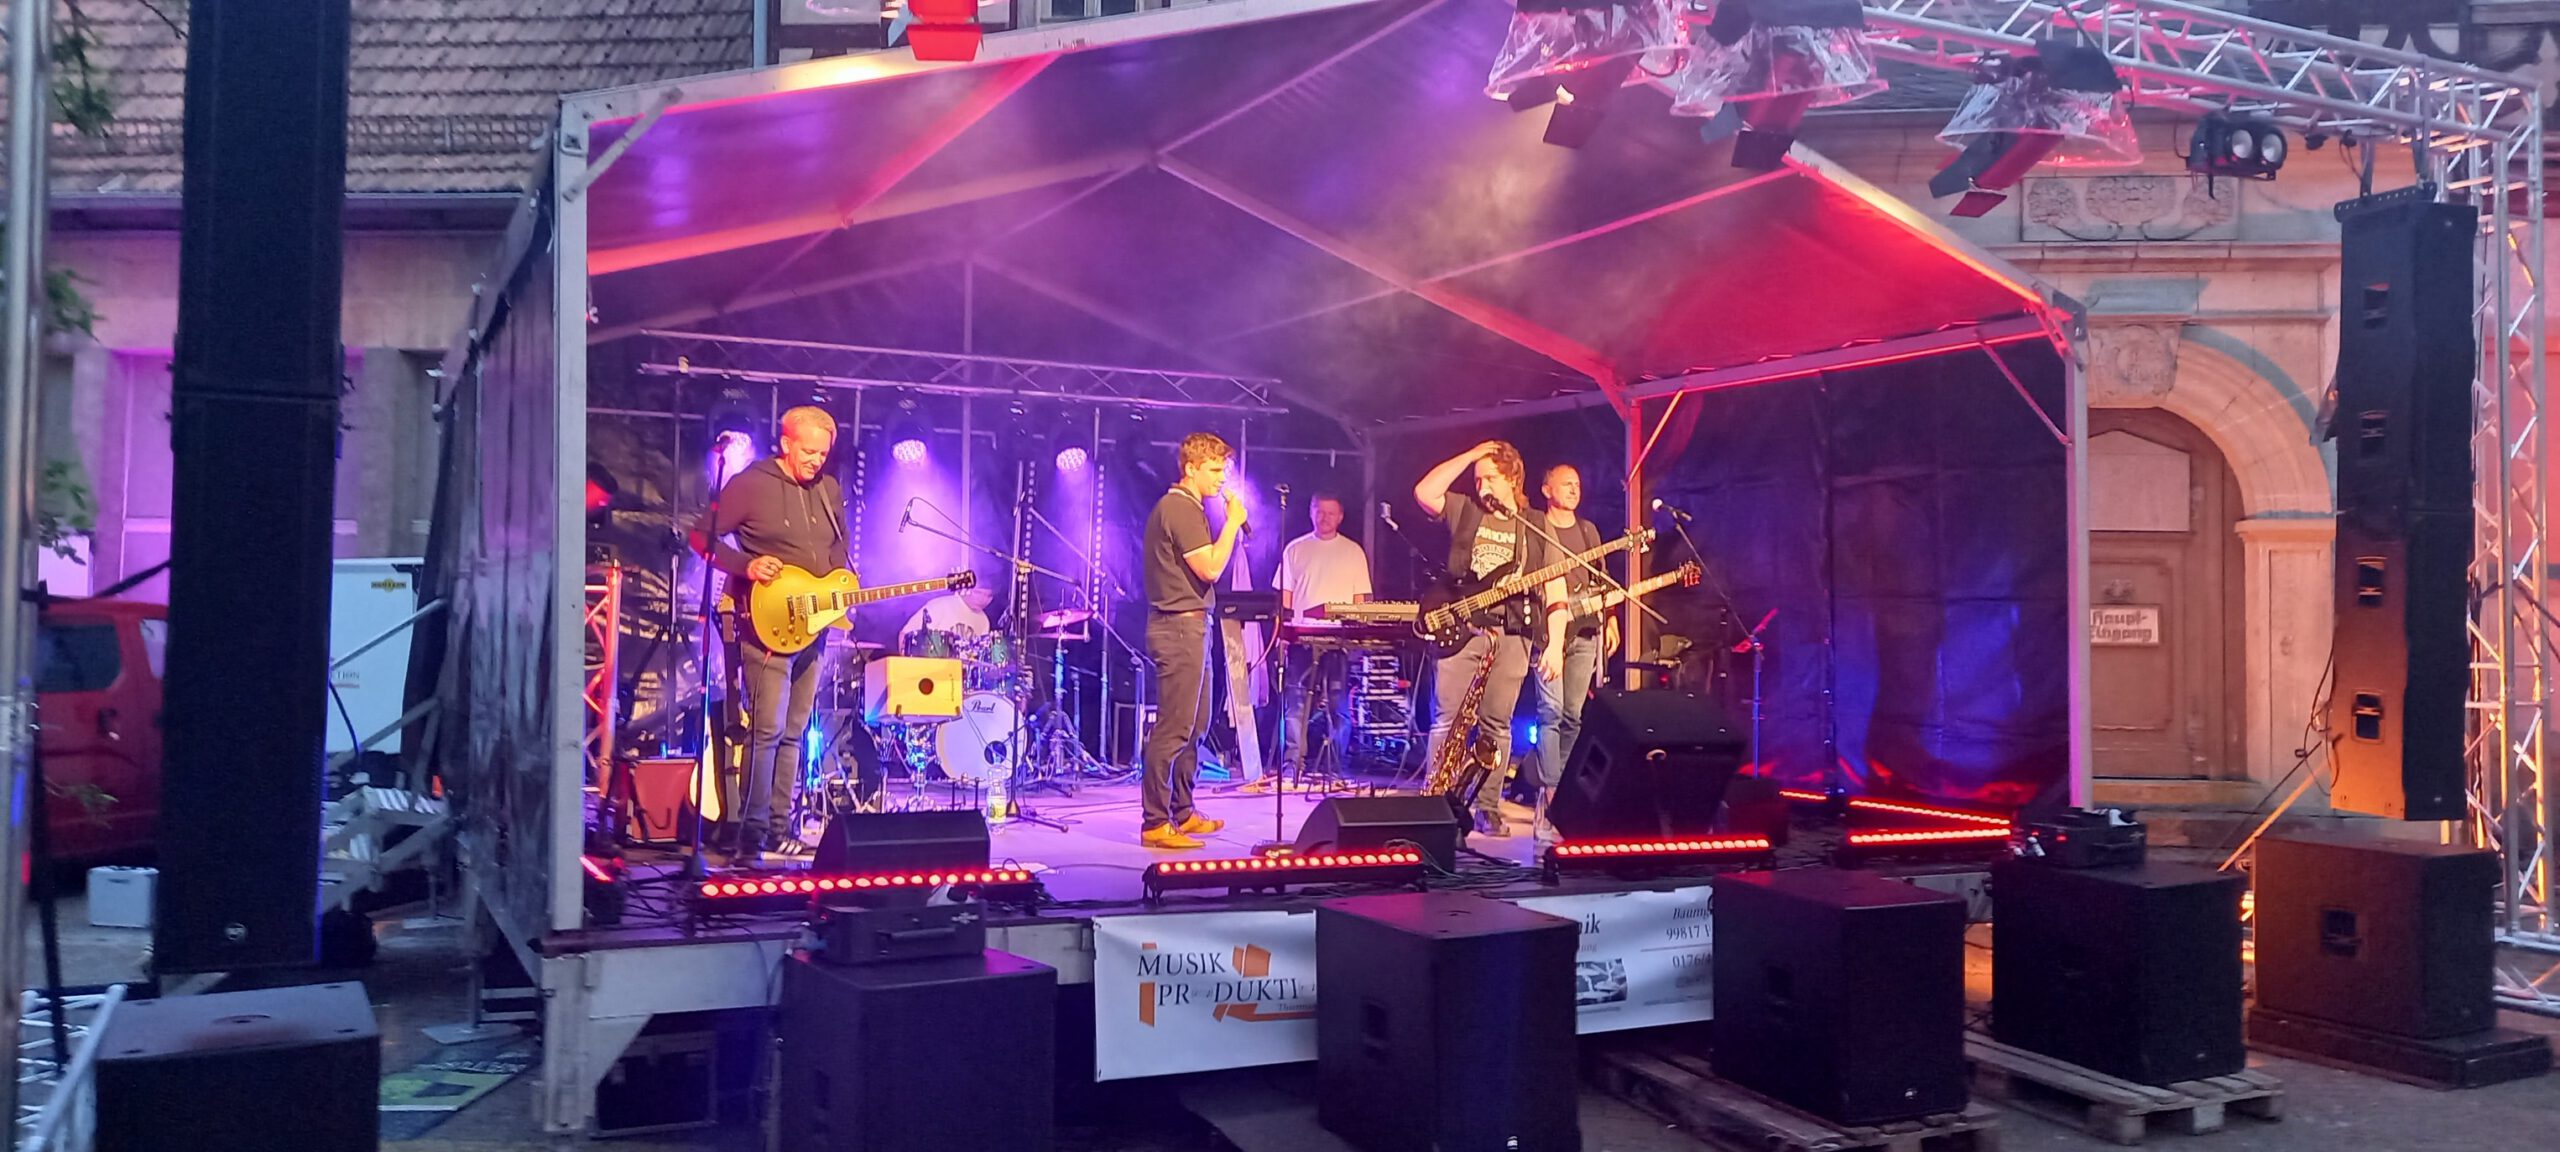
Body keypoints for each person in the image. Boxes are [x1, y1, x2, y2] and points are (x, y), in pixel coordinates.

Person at [690, 405, 846, 861]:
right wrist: (747, 565)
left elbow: (838, 549)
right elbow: (700, 537)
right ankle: (751, 836)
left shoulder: (829, 489)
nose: (816, 461)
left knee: (795, 731)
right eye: (808, 451)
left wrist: (840, 588)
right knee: (767, 730)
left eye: (823, 453)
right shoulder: (751, 484)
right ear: (786, 443)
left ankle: (780, 828)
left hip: (813, 626)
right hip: (765, 625)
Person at [1413, 441, 1568, 837]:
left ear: (1513, 479)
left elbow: (1556, 588)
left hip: (1512, 633)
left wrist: (1555, 644)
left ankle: (1487, 807)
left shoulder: (1535, 524)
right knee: (1447, 721)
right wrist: (1470, 455)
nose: (1482, 486)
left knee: (1497, 724)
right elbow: (1425, 492)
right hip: (1462, 629)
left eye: (1490, 478)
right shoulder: (1466, 510)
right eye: (1478, 479)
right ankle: (1436, 803)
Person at [1138, 432, 1247, 849]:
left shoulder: (1190, 507)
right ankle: (1155, 821)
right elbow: (1211, 569)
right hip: (1178, 628)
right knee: (1174, 727)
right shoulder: (1180, 508)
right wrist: (1233, 523)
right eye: (1215, 470)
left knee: (1196, 725)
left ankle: (1183, 810)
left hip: (1194, 626)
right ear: (1191, 468)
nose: (1222, 478)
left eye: (1224, 470)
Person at [1252, 493, 1373, 791]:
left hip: (1338, 640)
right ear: (1311, 512)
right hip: (1302, 639)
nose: (1324, 518)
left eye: (1331, 513)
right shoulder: (1295, 549)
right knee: (1296, 705)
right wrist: (1282, 636)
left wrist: (1359, 636)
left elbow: (1361, 601)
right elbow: (1285, 597)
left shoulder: (1353, 552)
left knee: (1338, 707)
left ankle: (1336, 768)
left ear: (1340, 517)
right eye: (1320, 511)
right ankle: (1292, 766)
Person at [1529, 464, 1605, 846]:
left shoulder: (1589, 531)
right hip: (1548, 635)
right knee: (1550, 713)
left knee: (1574, 716)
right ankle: (1550, 795)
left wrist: (1611, 620)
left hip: (1586, 632)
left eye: (1577, 484)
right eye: (1566, 484)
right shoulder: (1536, 528)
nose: (1574, 489)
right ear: (1547, 489)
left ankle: (1568, 797)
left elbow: (1600, 581)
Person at [900, 582, 999, 641]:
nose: (983, 599)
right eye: (978, 592)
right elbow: (905, 634)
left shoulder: (984, 620)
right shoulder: (941, 605)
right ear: (966, 590)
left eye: (988, 596)